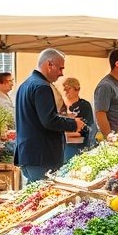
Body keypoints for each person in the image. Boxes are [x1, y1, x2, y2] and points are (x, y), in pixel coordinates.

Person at [14, 48, 84, 182]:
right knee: (41, 196)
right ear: (49, 64)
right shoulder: (42, 87)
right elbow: (49, 120)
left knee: (32, 196)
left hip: (28, 154)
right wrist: (74, 124)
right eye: (60, 68)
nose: (61, 74)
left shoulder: (25, 85)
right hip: (41, 155)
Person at [94, 48, 118, 136]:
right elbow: (100, 114)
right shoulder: (106, 86)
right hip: (114, 140)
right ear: (117, 64)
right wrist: (109, 138)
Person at [61, 77, 95, 162]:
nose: (65, 91)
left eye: (68, 88)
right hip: (62, 145)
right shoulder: (60, 105)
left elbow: (88, 126)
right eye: (64, 88)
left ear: (77, 89)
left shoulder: (84, 105)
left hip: (79, 145)